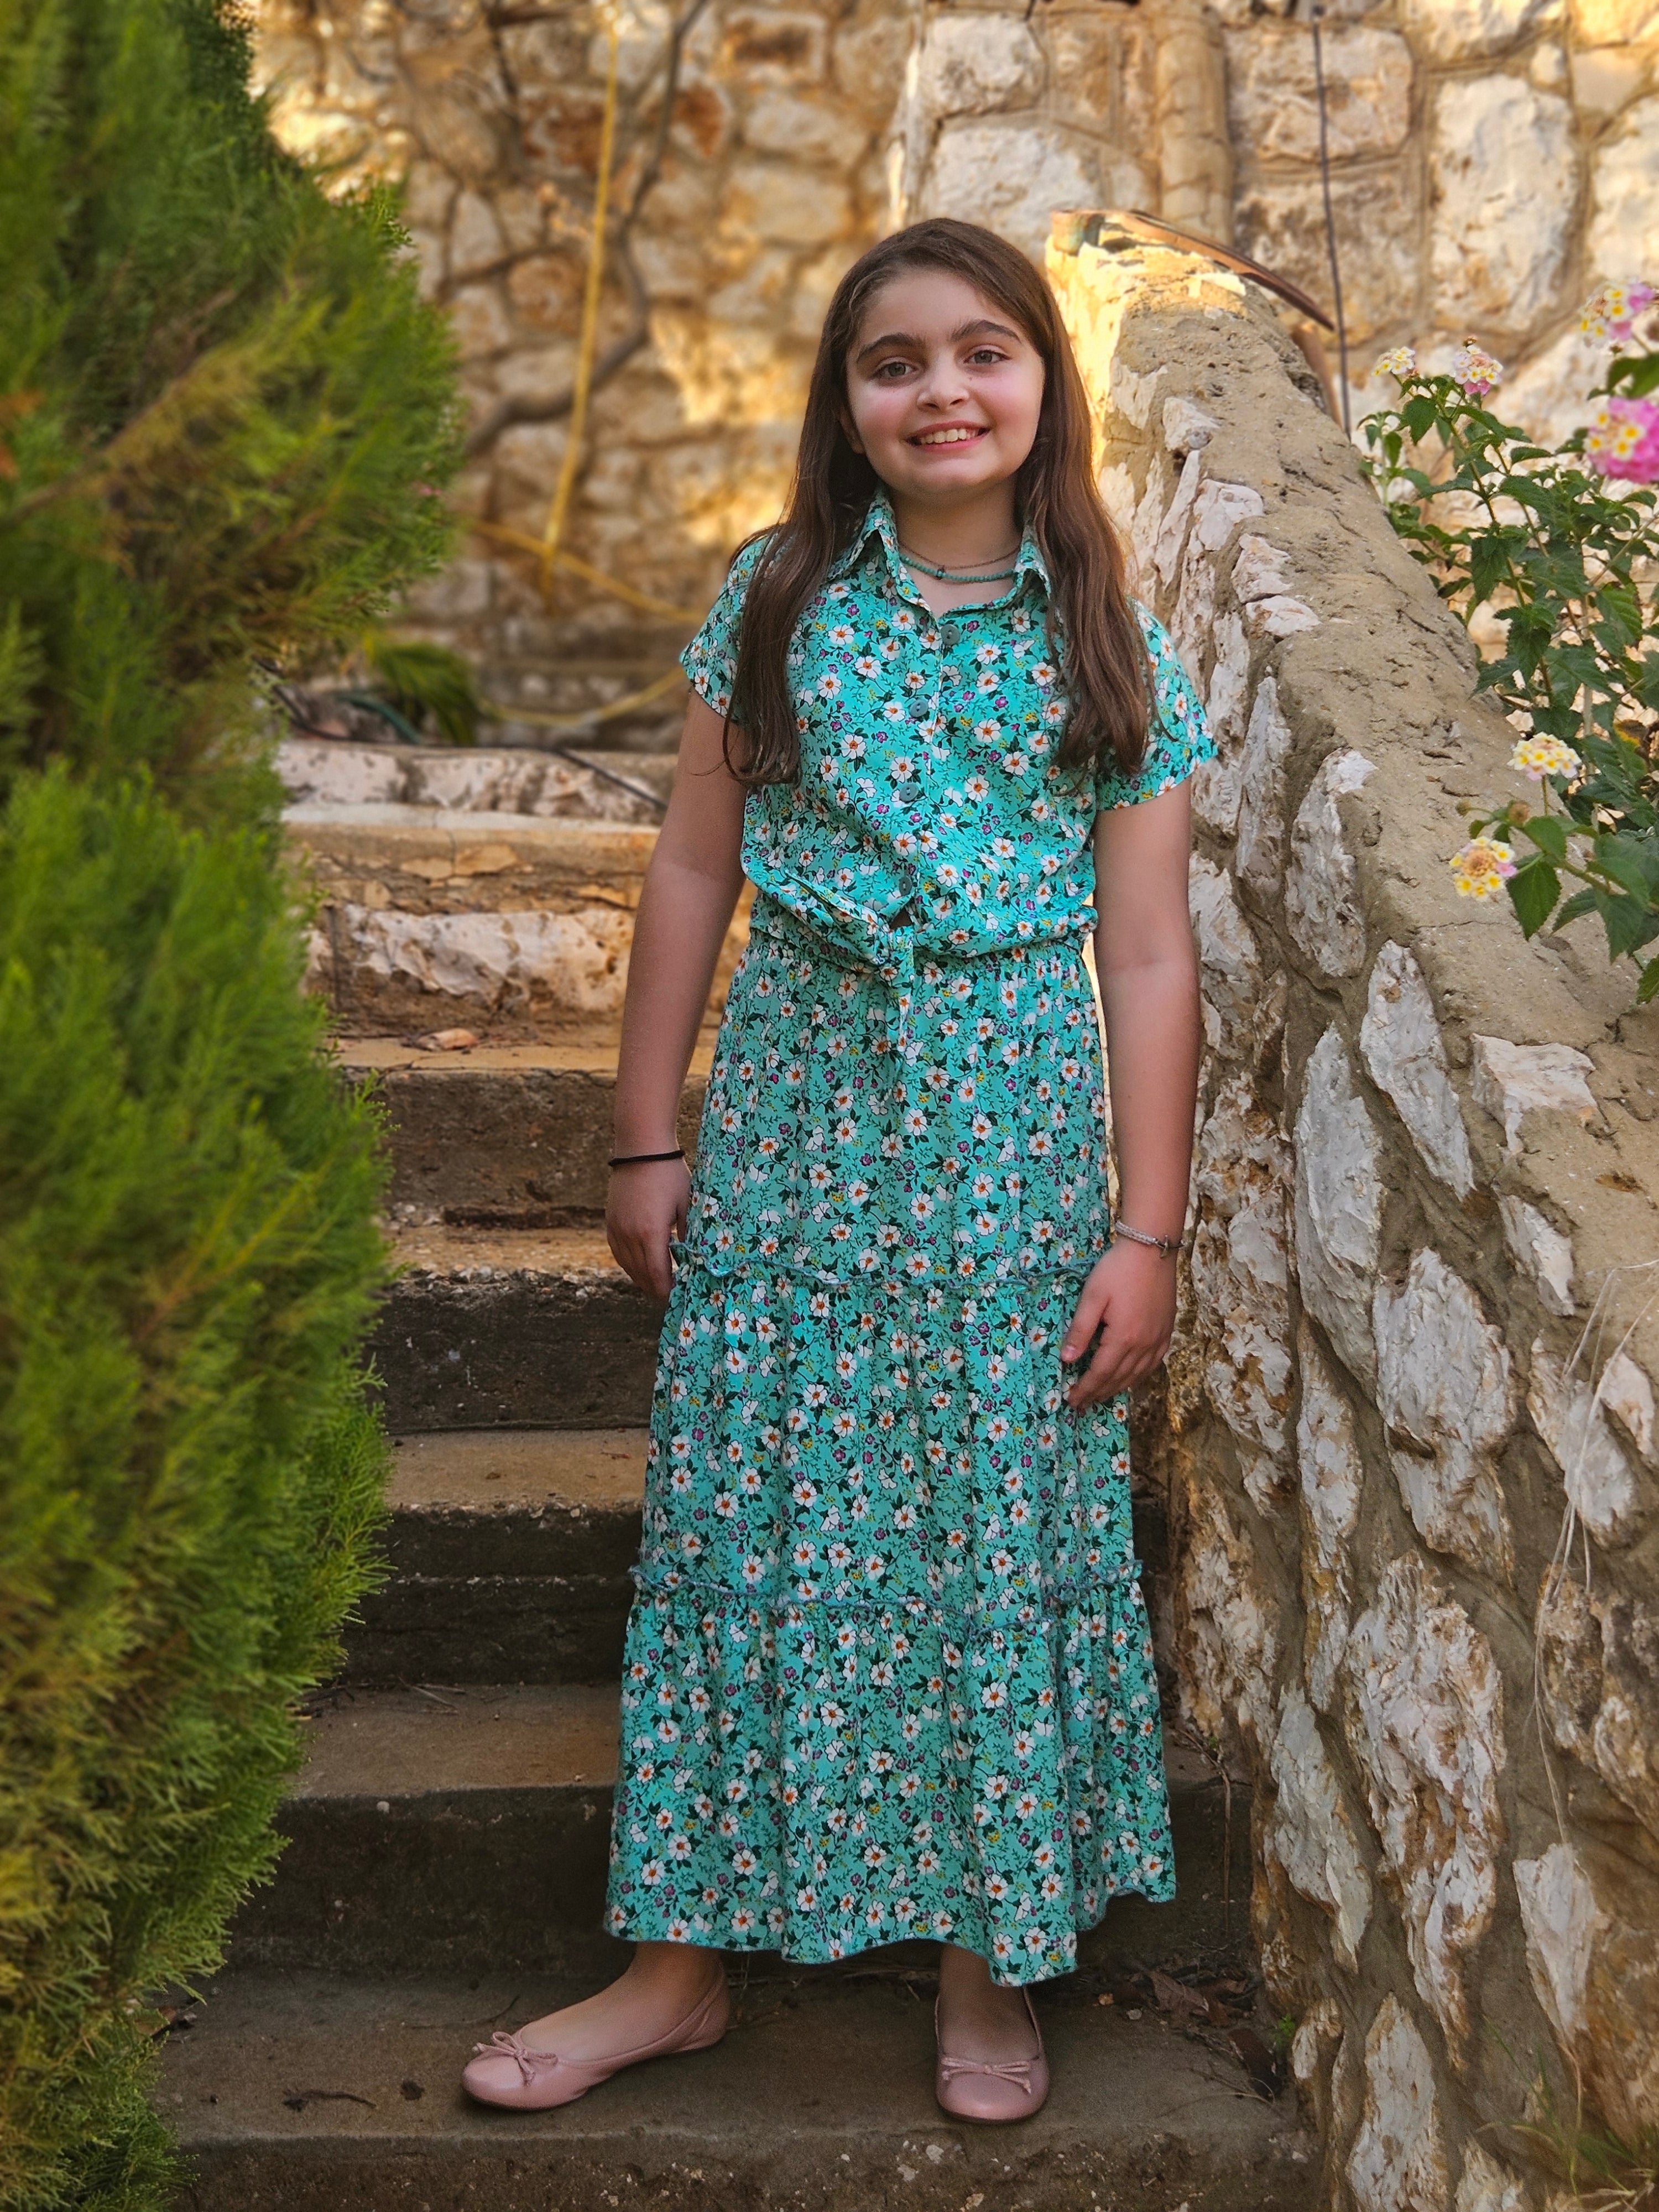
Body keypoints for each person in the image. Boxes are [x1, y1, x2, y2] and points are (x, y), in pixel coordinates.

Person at [462, 215, 1214, 2125]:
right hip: (795, 1131)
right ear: (846, 401)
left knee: (993, 1538)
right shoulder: (779, 594)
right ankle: (676, 1970)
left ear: (1043, 381)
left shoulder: (1107, 632)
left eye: (983, 351)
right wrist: (647, 1133)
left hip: (1013, 1155)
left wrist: (1146, 1230)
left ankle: (990, 1955)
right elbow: (691, 865)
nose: (942, 390)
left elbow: (1148, 953)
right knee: (746, 1528)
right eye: (895, 362)